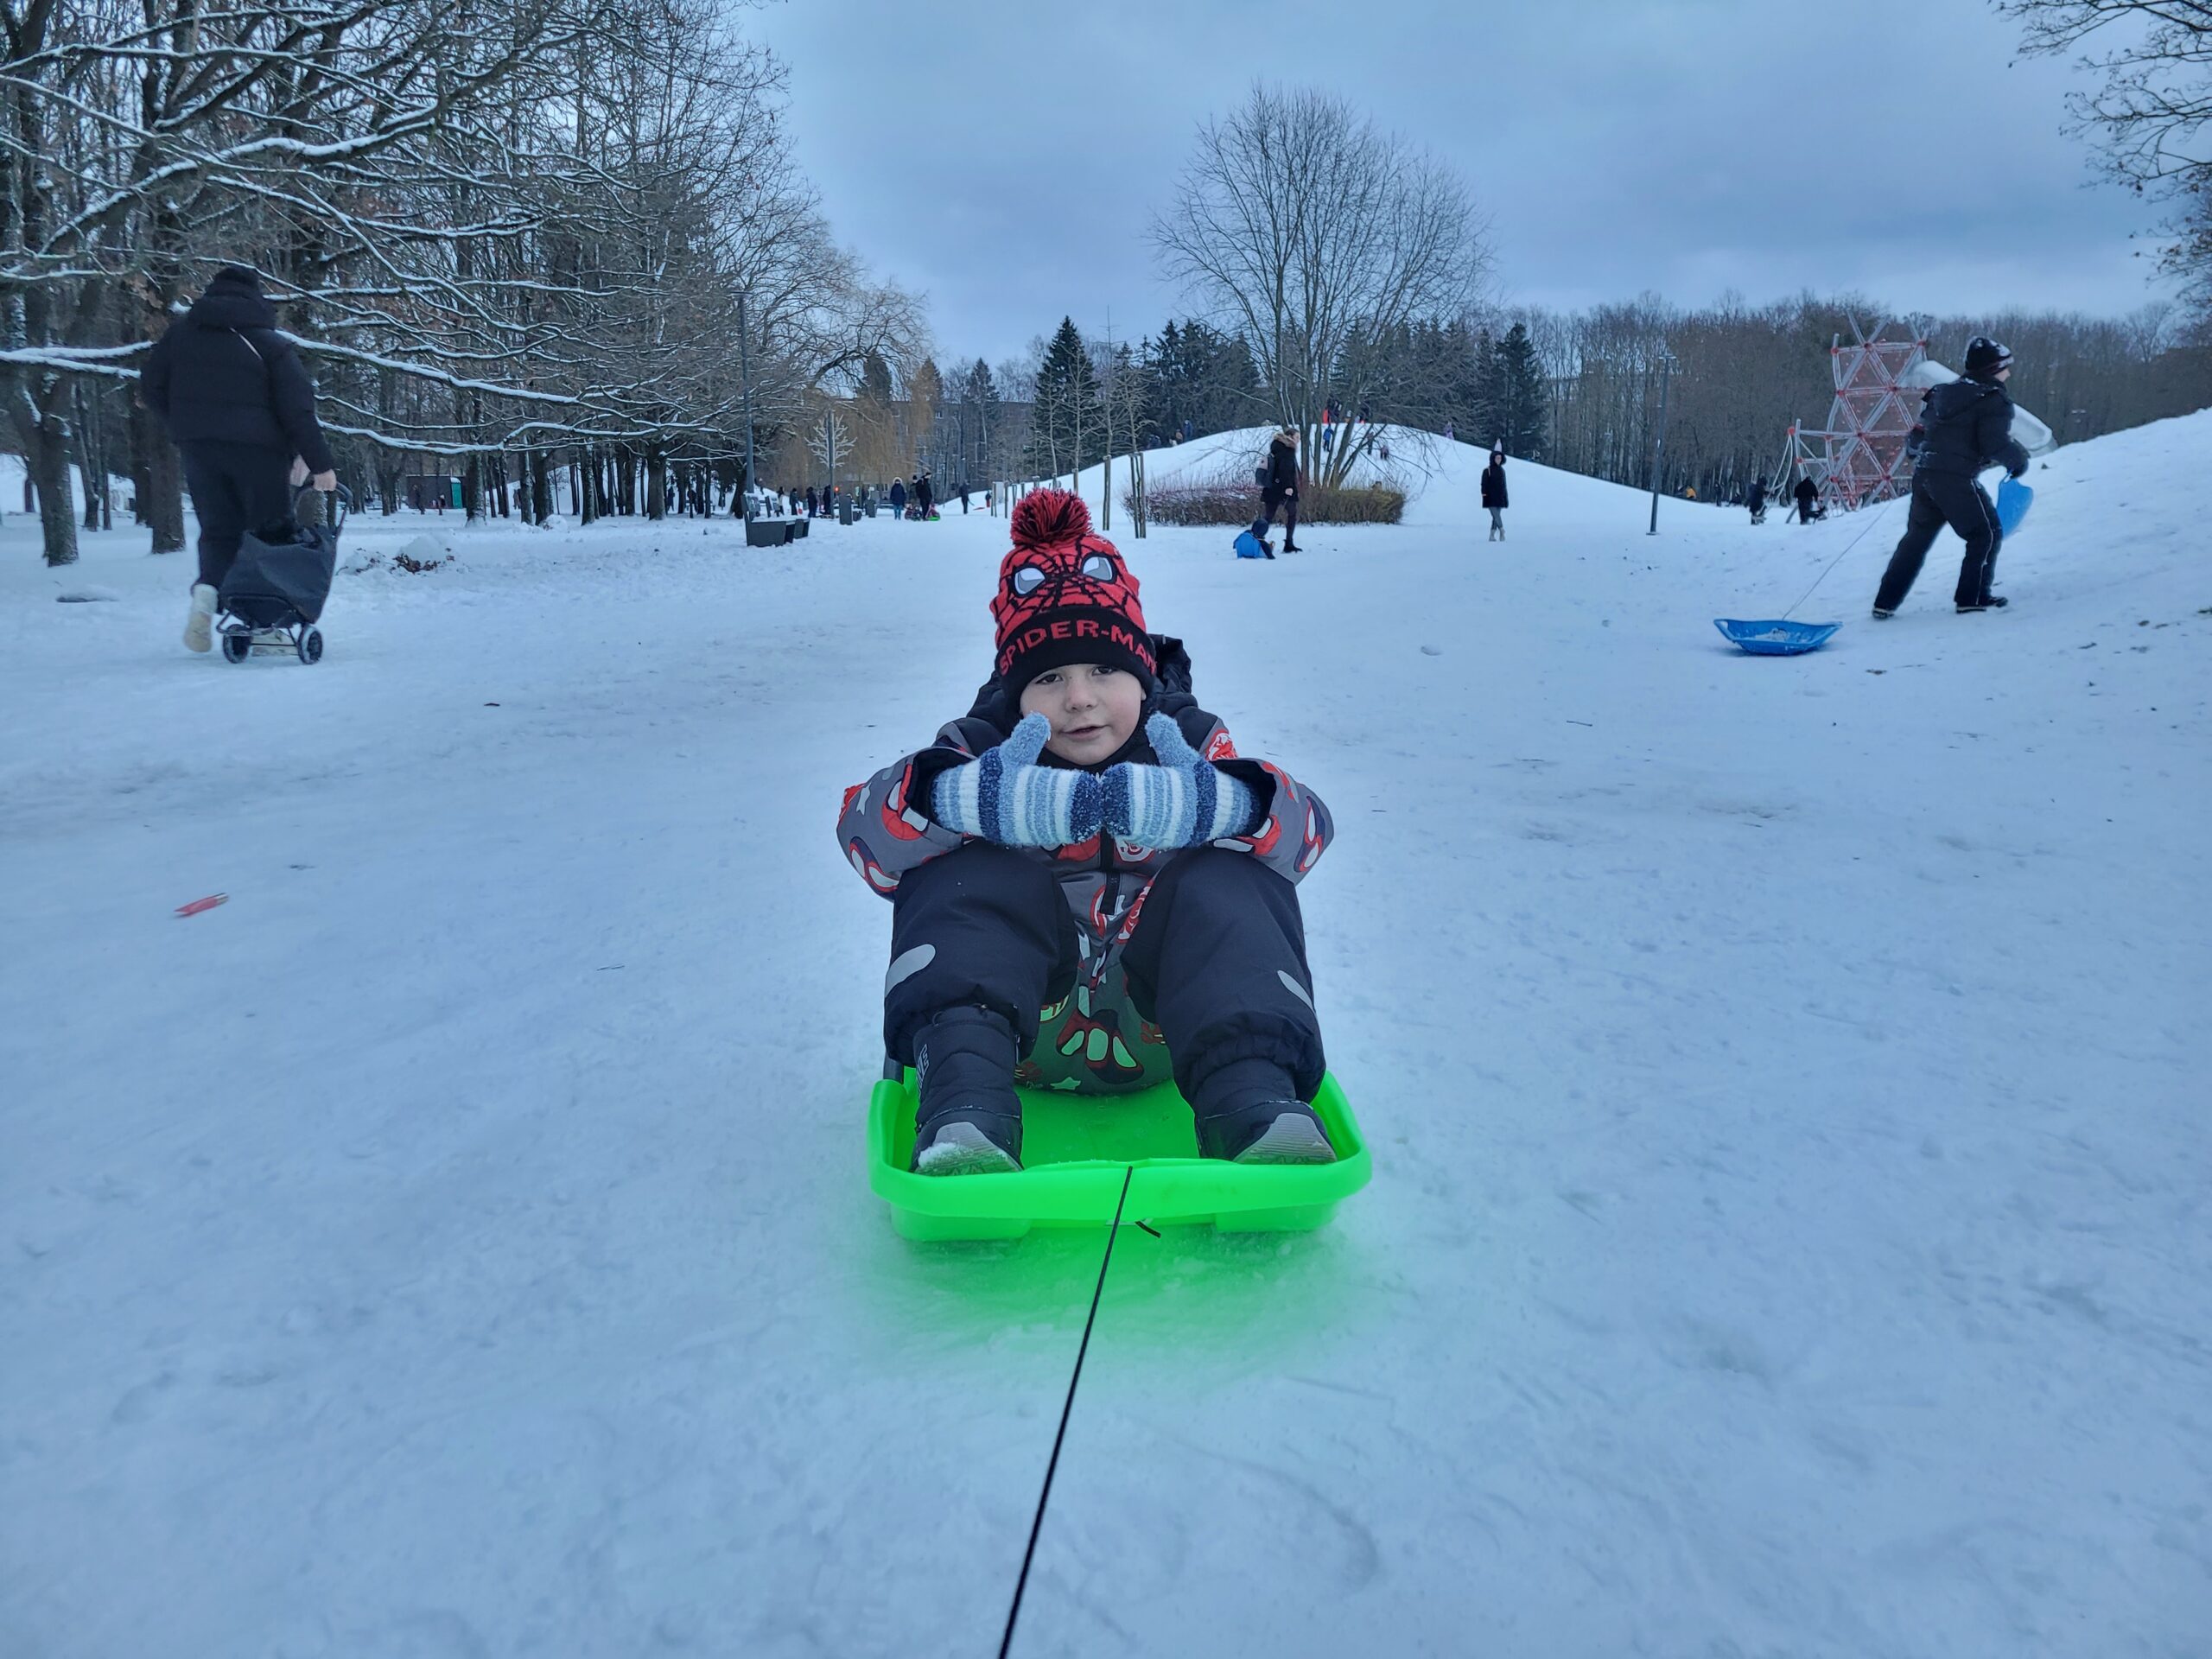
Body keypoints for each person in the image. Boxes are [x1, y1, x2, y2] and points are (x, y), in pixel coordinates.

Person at [835, 488, 1338, 1174]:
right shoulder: (978, 751)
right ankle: (965, 1118)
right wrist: (960, 799)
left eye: (1104, 670)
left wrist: (1224, 806)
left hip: (1171, 1031)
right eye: (1049, 677)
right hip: (1010, 1036)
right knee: (964, 873)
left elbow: (1308, 835)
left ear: (1143, 675)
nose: (1079, 698)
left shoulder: (1189, 746)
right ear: (1016, 694)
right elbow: (864, 837)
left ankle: (1254, 1108)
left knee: (1232, 875)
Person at [139, 264, 337, 652]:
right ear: (255, 298)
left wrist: (183, 424)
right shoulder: (269, 344)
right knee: (269, 532)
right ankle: (265, 623)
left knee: (218, 530)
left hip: (199, 448)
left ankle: (207, 594)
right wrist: (321, 464)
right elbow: (297, 410)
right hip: (260, 453)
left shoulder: (179, 337)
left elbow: (151, 386)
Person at [1873, 335, 2031, 617]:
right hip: (1955, 479)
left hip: (1925, 475)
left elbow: (1917, 437)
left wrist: (1923, 453)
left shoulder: (1941, 393)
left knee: (1916, 540)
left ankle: (1884, 603)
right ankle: (1972, 599)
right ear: (1993, 369)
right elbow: (1993, 444)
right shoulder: (1993, 400)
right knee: (1984, 534)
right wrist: (2017, 461)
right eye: (2005, 367)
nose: (2008, 373)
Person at [1246, 426, 1301, 555]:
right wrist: (1288, 487)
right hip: (1284, 489)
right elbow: (1285, 471)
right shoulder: (1288, 450)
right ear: (1290, 437)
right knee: (1292, 514)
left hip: (1271, 488)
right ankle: (1288, 543)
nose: (1298, 440)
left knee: (1268, 516)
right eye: (1297, 437)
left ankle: (1254, 539)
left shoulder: (1276, 447)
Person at [1481, 448, 1509, 541]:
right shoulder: (1487, 470)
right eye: (1497, 458)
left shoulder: (1502, 471)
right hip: (1490, 498)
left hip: (1500, 497)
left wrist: (1506, 499)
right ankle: (1502, 530)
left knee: (1495, 517)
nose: (1498, 460)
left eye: (1500, 458)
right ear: (1493, 459)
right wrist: (1484, 495)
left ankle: (1492, 535)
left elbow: (1504, 486)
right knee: (1496, 515)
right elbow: (1484, 484)